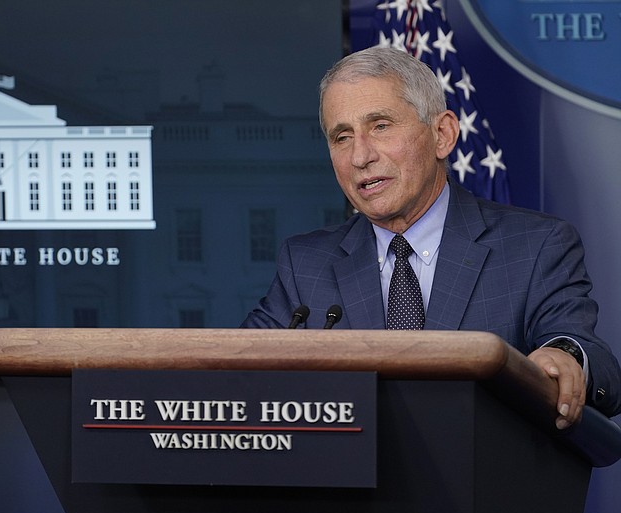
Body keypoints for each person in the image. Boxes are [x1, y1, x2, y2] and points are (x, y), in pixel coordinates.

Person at [241, 46, 621, 428]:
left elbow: (595, 361)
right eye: (342, 136)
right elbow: (234, 373)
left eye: (380, 126)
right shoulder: (305, 263)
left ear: (442, 134)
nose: (360, 156)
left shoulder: (535, 246)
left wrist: (564, 356)